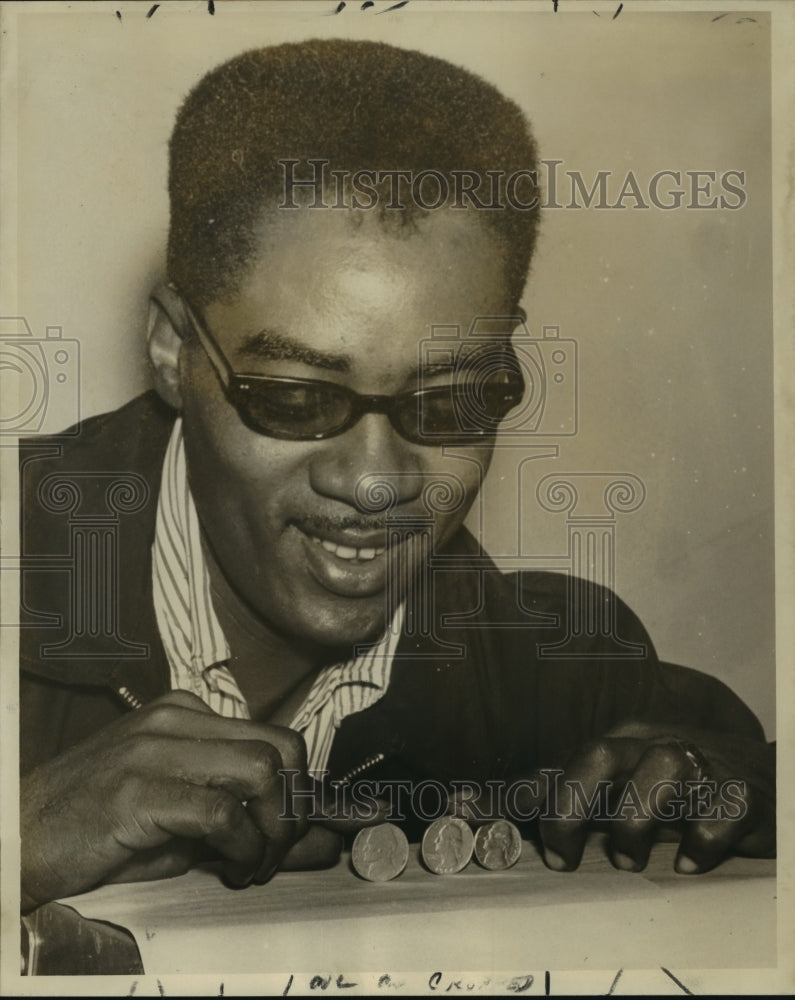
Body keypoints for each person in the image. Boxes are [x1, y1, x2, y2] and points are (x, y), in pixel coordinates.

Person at [19, 38, 775, 916]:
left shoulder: (560, 669)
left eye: (452, 402)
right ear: (173, 350)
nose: (375, 485)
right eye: (298, 400)